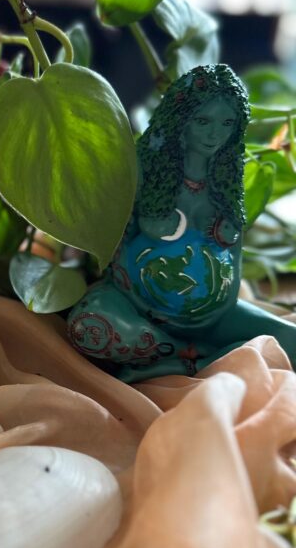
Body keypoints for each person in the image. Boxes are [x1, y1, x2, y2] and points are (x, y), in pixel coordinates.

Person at [67, 63, 296, 382]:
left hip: (214, 317)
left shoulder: (229, 179)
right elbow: (109, 248)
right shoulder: (140, 169)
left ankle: (184, 362)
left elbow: (235, 259)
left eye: (227, 123)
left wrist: (218, 309)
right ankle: (195, 354)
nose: (215, 135)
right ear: (180, 119)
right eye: (203, 121)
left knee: (291, 342)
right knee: (88, 326)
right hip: (135, 307)